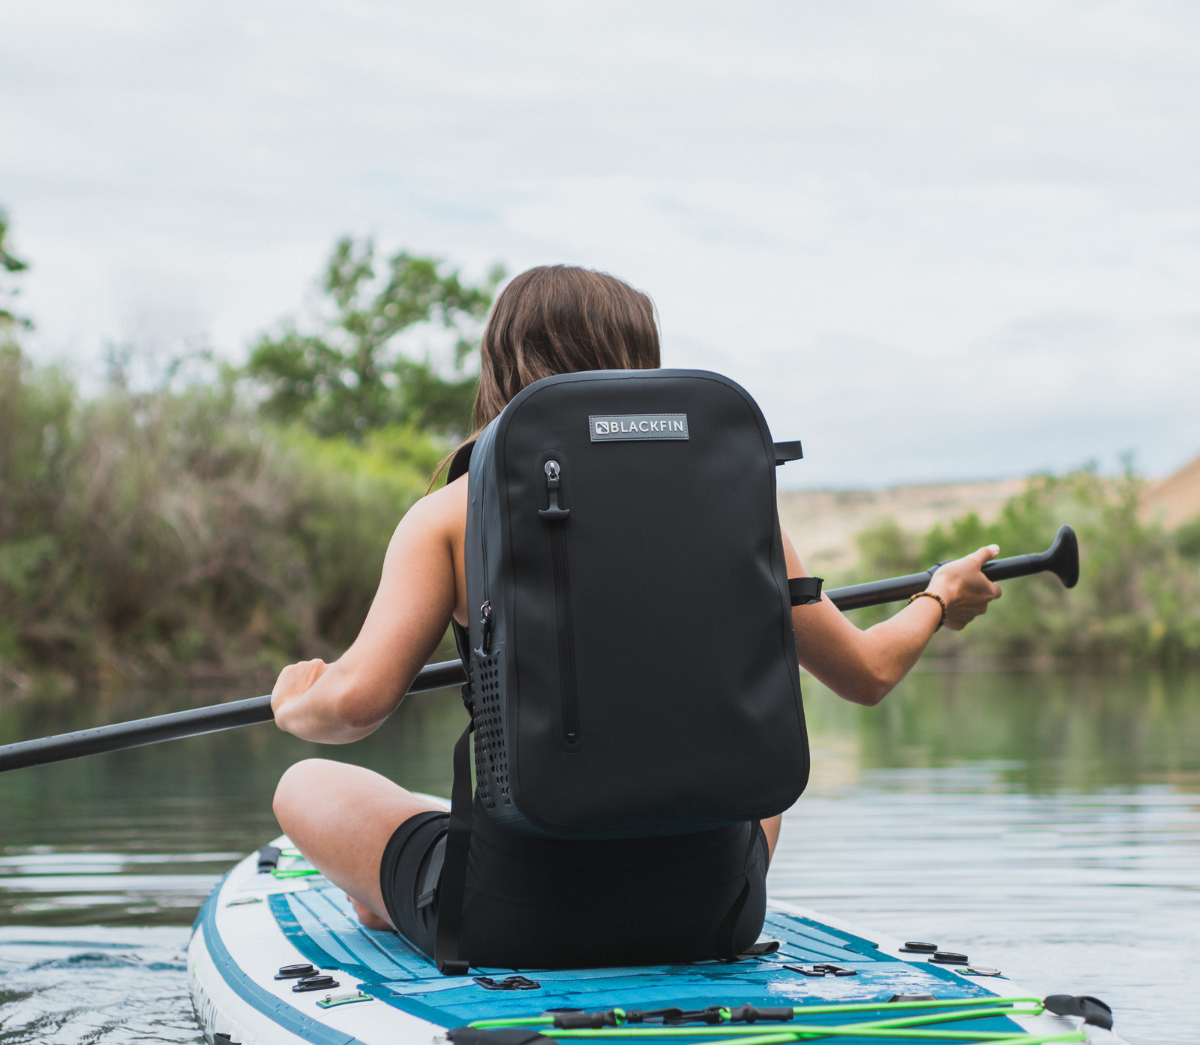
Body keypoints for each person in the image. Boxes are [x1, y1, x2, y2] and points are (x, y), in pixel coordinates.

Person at [271, 264, 1001, 967]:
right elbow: (868, 673)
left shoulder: (447, 516)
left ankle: (385, 896)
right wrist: (938, 597)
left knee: (302, 784)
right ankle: (392, 892)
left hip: (510, 919)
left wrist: (298, 702)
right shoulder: (735, 502)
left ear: (498, 367)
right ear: (639, 364)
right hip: (715, 914)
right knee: (748, 756)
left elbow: (356, 708)